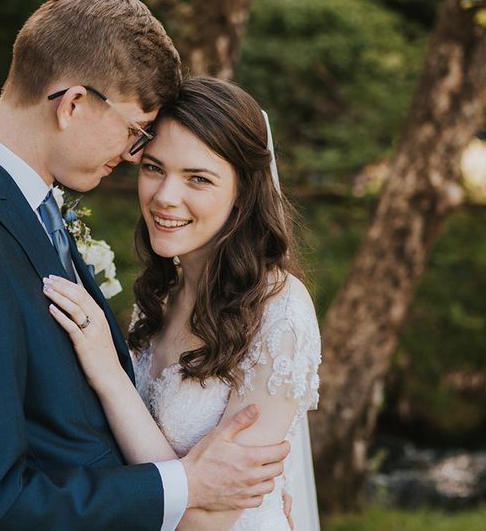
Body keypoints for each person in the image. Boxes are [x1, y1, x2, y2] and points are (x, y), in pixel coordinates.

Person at [0, 0, 292, 530]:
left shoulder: (24, 203)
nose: (131, 153)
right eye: (132, 130)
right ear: (73, 104)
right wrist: (187, 486)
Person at [43, 77, 322, 530]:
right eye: (154, 168)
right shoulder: (161, 293)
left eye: (198, 178)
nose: (164, 197)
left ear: (243, 192)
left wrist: (109, 376)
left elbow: (205, 524)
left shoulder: (280, 312)